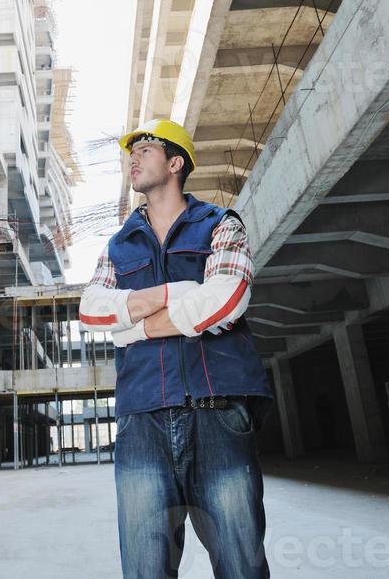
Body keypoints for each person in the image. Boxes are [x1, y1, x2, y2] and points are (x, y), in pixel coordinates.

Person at [79, 119, 273, 579]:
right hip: (141, 419)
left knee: (241, 564)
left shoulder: (220, 225)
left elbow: (228, 297)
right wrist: (180, 291)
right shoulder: (118, 245)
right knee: (146, 570)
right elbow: (91, 312)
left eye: (145, 148)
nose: (133, 156)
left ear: (175, 162)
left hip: (218, 412)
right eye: (132, 151)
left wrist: (137, 327)